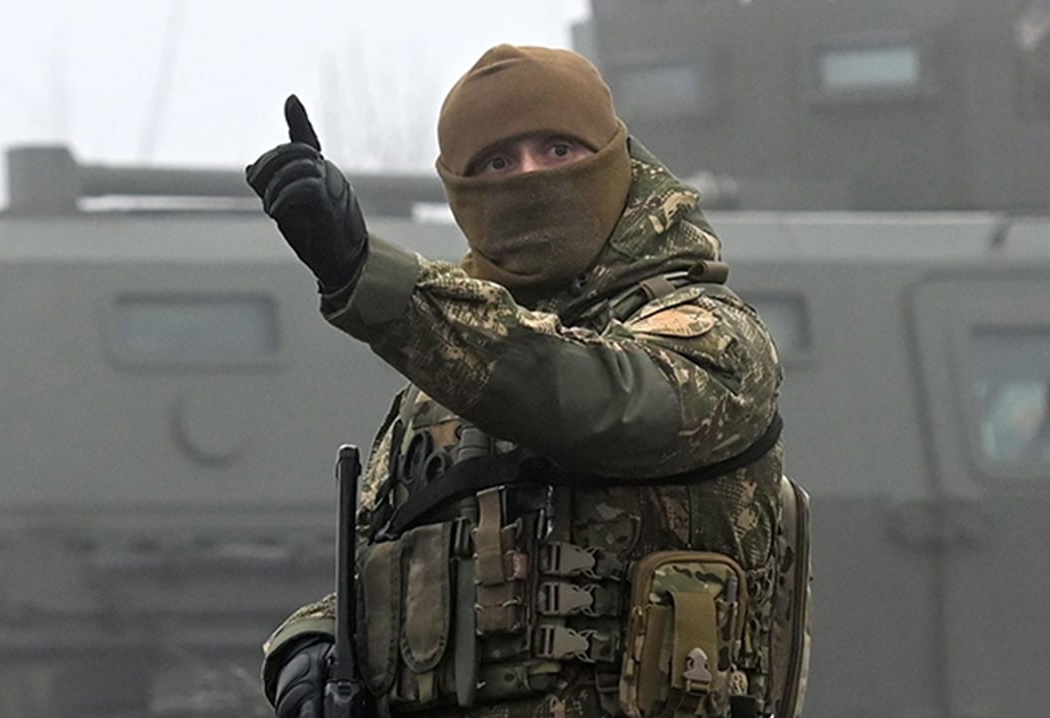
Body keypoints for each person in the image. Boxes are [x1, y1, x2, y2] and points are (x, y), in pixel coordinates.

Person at [245, 45, 809, 718]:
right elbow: (391, 565)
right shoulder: (438, 382)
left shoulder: (710, 332)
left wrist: (370, 278)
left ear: (614, 158)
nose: (531, 177)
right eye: (497, 163)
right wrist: (308, 644)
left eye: (558, 149)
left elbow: (595, 402)